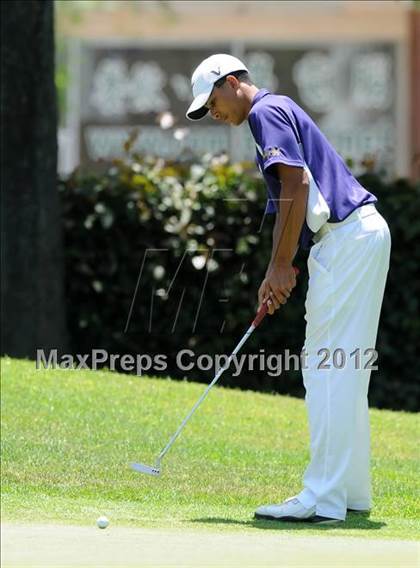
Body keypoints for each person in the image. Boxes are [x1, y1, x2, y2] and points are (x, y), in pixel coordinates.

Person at [186, 54, 391, 524]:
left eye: (212, 100)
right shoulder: (274, 111)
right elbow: (292, 196)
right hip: (355, 235)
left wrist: (280, 265)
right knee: (346, 365)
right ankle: (349, 493)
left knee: (326, 366)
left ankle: (322, 498)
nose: (212, 112)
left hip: (346, 238)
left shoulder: (264, 111)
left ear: (233, 82)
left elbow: (295, 183)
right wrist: (280, 267)